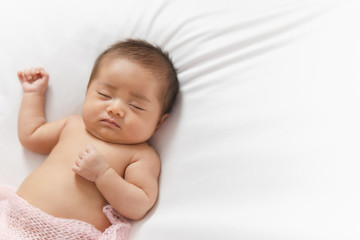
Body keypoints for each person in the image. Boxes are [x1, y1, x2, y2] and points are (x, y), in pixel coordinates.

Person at [0, 39, 179, 239]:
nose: (115, 109)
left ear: (159, 123)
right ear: (87, 93)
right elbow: (31, 136)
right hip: (16, 219)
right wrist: (33, 95)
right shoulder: (73, 125)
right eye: (104, 95)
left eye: (135, 106)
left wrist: (104, 175)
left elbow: (139, 206)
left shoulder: (140, 155)